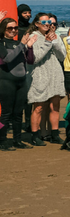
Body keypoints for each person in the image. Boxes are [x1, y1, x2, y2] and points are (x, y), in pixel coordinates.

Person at [26, 13, 66, 146]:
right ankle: (35, 134)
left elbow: (62, 56)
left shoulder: (56, 37)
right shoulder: (33, 37)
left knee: (55, 106)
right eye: (44, 22)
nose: (48, 24)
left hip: (55, 74)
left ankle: (54, 134)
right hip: (40, 74)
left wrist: (54, 41)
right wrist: (48, 43)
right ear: (36, 24)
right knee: (38, 107)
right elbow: (35, 58)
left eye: (49, 21)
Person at [0, 17, 37, 150]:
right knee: (6, 113)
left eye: (15, 28)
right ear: (4, 30)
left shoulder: (18, 44)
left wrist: (30, 47)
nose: (14, 30)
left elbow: (30, 61)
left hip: (21, 82)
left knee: (18, 113)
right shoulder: (1, 43)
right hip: (6, 82)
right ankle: (2, 140)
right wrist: (22, 44)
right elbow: (7, 58)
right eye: (10, 28)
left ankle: (17, 140)